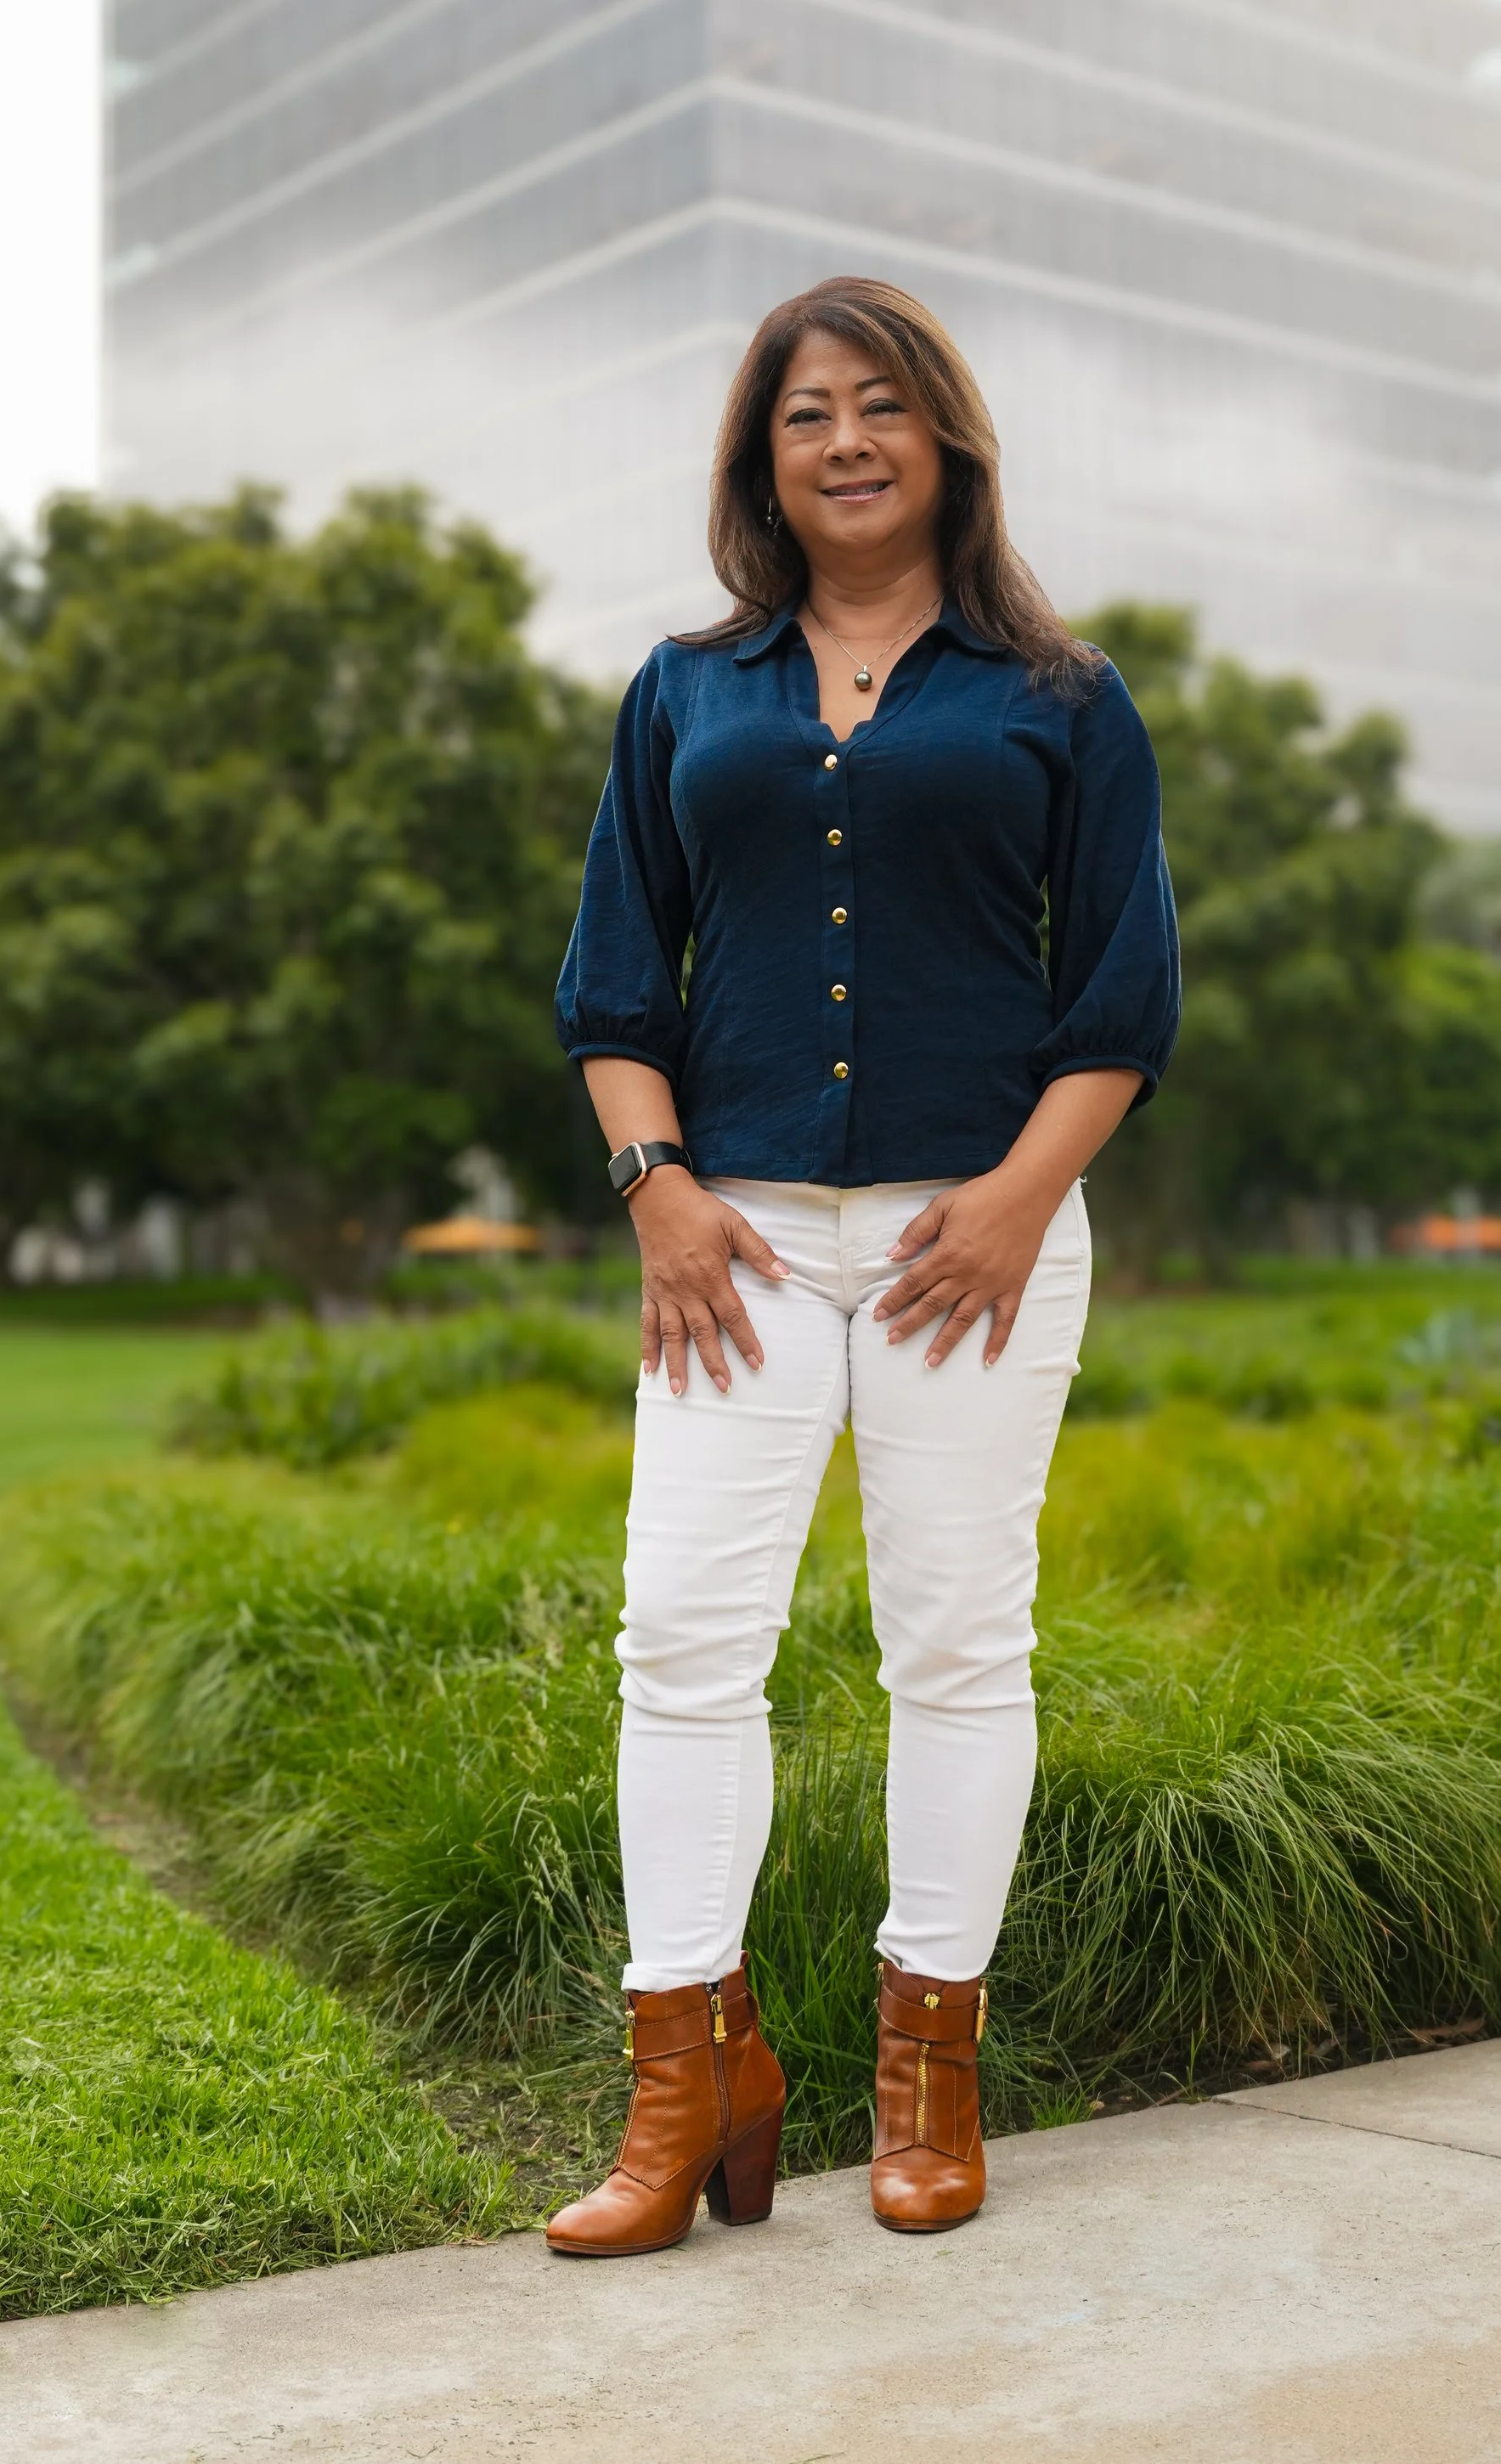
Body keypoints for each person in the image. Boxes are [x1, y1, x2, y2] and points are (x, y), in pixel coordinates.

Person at [546, 277, 1179, 2256]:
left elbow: (1123, 998)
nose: (844, 440)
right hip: (725, 1239)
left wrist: (1005, 1200)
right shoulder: (683, 688)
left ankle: (928, 2069)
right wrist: (651, 1182)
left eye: (881, 405)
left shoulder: (1057, 698)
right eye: (806, 411)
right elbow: (610, 980)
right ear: (763, 456)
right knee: (681, 1640)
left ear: (946, 441)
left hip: (967, 1244)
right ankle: (690, 2071)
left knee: (954, 1645)